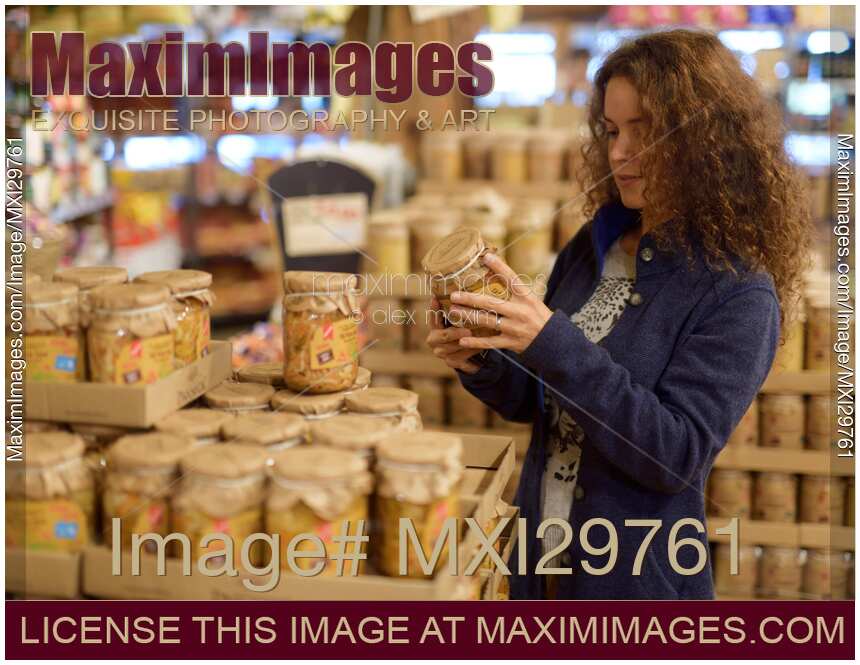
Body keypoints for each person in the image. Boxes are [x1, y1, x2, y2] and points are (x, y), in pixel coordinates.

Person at [426, 29, 811, 599]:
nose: (619, 152)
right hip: (540, 571)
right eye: (611, 130)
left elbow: (675, 455)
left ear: (705, 140)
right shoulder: (594, 245)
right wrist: (483, 360)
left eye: (645, 131)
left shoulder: (738, 294)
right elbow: (539, 402)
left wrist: (549, 340)